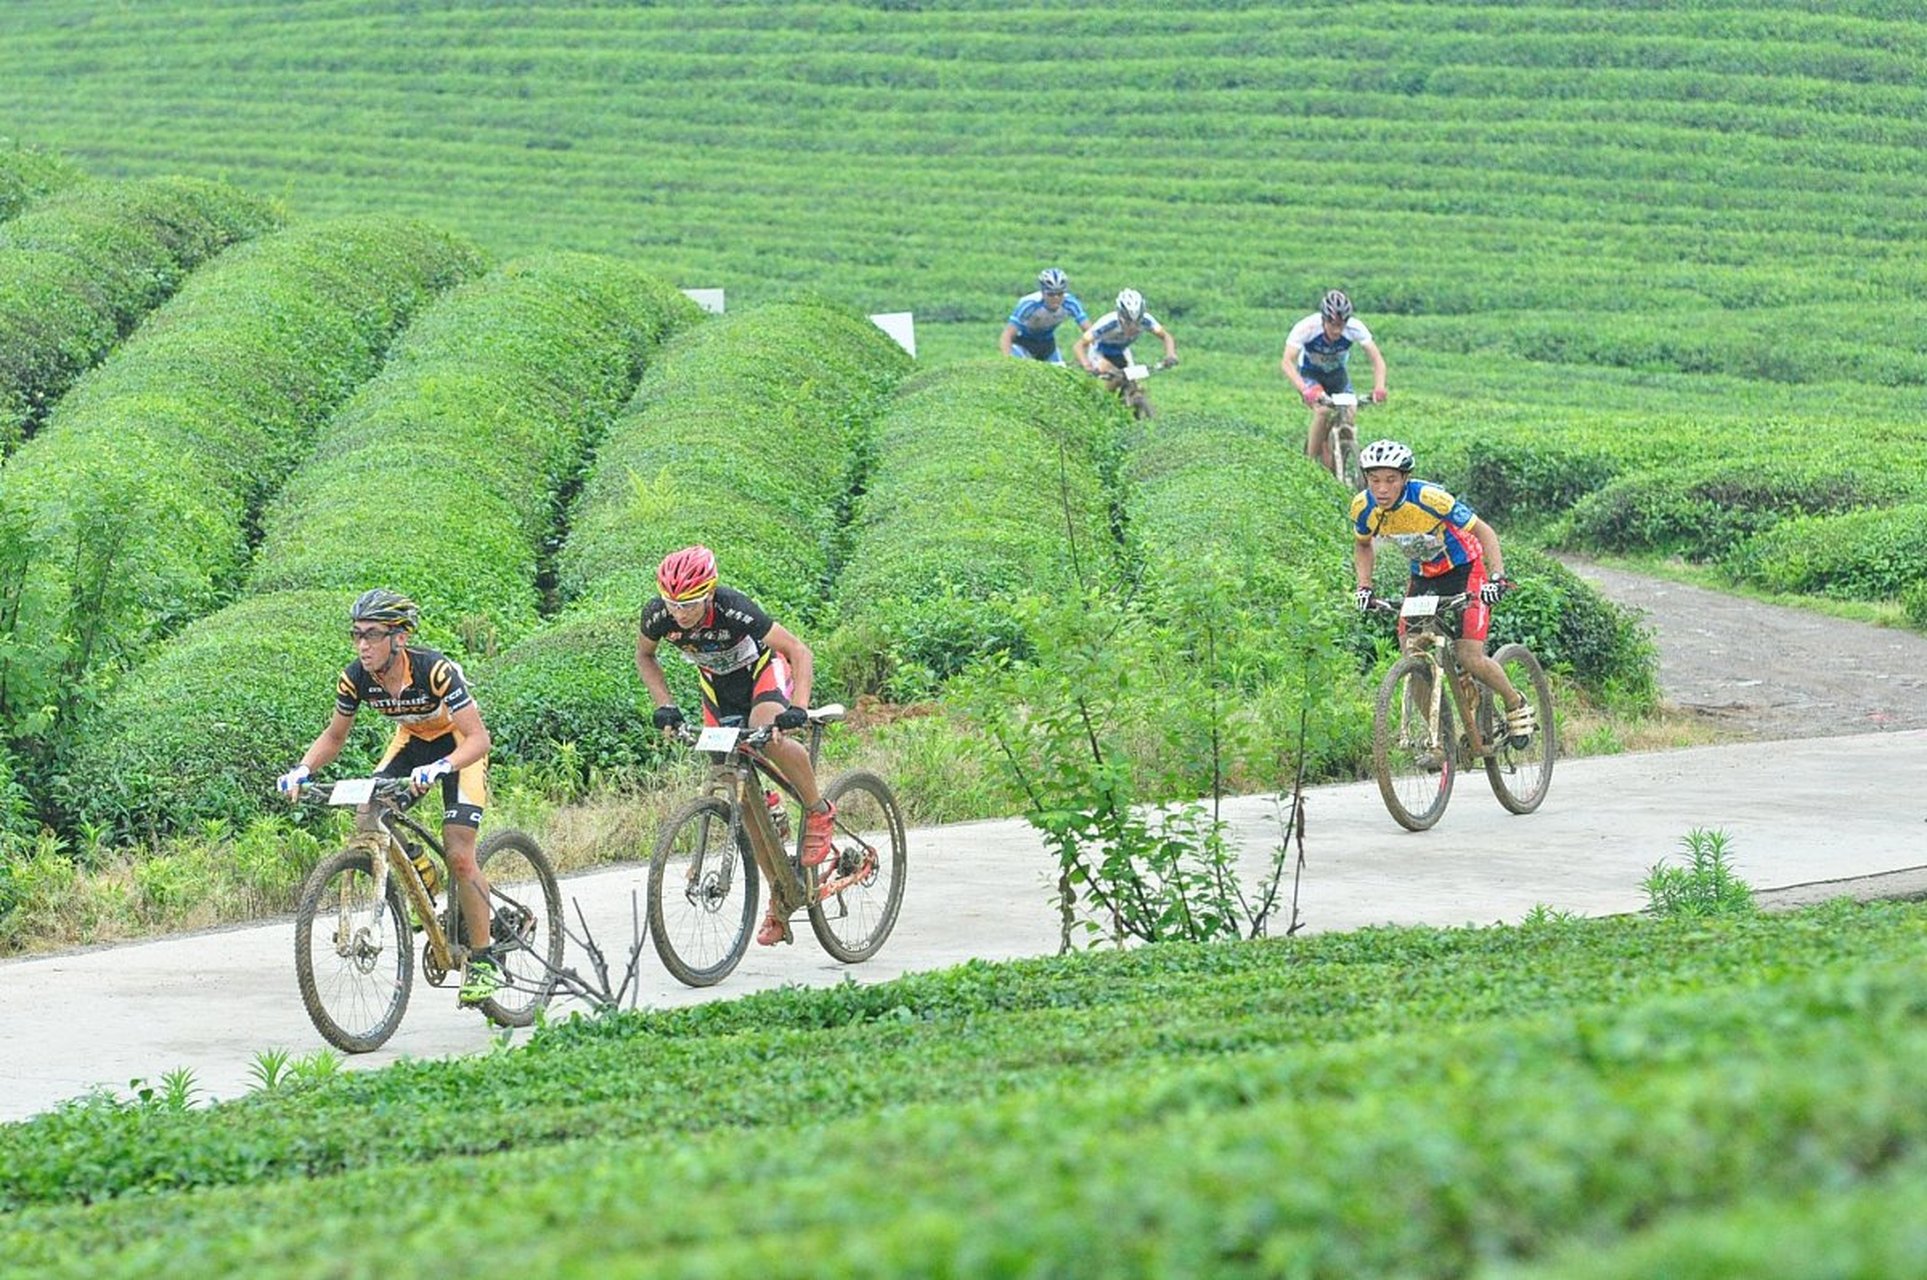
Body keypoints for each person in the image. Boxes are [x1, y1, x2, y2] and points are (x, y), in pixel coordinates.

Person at [276, 589, 502, 1005]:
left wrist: (442, 767)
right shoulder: (355, 677)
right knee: (369, 816)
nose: (363, 645)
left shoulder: (436, 671)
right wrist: (303, 769)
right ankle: (421, 876)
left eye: (373, 635)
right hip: (412, 743)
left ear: (399, 637)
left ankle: (485, 961)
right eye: (356, 635)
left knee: (459, 853)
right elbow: (334, 736)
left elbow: (479, 738)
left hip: (458, 748)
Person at [637, 545, 834, 947]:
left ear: (709, 593)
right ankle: (780, 901)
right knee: (740, 798)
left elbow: (799, 650)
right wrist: (665, 705)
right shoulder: (657, 615)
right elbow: (645, 655)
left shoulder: (733, 608)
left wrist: (797, 709)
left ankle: (818, 810)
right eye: (672, 603)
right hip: (718, 688)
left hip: (762, 675)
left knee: (767, 735)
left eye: (689, 604)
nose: (679, 613)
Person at [1348, 440, 1535, 746]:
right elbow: (1363, 544)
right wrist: (1364, 587)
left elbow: (1484, 531)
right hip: (1423, 576)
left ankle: (1516, 703)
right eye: (1374, 480)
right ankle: (1443, 742)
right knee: (1414, 655)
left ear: (1405, 478)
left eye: (1391, 480)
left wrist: (1496, 578)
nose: (1382, 489)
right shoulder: (1364, 507)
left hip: (1465, 570)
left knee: (1469, 656)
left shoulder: (1430, 498)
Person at [1282, 289, 1388, 476]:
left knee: (1350, 413)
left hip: (1337, 376)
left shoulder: (1355, 328)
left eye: (1342, 324)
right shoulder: (1306, 327)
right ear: (1323, 319)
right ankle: (1309, 465)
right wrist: (1304, 390)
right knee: (1323, 411)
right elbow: (1287, 362)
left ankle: (1344, 456)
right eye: (1333, 324)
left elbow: (1377, 360)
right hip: (1310, 375)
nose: (1338, 330)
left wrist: (1379, 387)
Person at [1074, 287, 1178, 377]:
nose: (1133, 327)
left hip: (1121, 350)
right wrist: (1087, 366)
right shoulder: (1108, 323)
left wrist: (1170, 355)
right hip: (1099, 350)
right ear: (1120, 316)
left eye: (1137, 322)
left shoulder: (1147, 321)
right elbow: (1079, 345)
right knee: (1109, 371)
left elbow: (1166, 337)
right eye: (1128, 322)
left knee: (1134, 382)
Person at [1000, 267, 1091, 364]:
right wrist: (1008, 362)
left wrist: (1086, 357)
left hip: (1047, 344)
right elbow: (1007, 335)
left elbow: (1090, 331)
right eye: (1051, 294)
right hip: (1023, 343)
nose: (1056, 298)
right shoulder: (1029, 304)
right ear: (1043, 293)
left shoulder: (1070, 303)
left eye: (1060, 294)